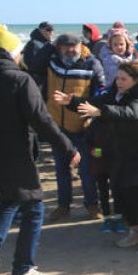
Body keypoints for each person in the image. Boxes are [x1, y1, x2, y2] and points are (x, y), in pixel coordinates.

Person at [0, 23, 79, 275]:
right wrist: (67, 147)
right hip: (13, 154)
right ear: (10, 53)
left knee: (10, 199)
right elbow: (41, 119)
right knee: (34, 206)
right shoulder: (19, 78)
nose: (20, 56)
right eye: (17, 52)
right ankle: (22, 268)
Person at [55, 60, 138, 248]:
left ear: (136, 79)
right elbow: (94, 102)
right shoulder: (115, 93)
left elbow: (132, 112)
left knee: (132, 188)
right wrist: (72, 102)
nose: (119, 82)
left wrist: (101, 112)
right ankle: (135, 229)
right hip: (120, 149)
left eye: (124, 79)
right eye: (117, 78)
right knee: (119, 189)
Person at [43, 33, 106, 223]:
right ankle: (63, 206)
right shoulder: (53, 62)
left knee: (87, 168)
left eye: (74, 46)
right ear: (58, 47)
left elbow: (102, 91)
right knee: (61, 168)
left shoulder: (91, 64)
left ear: (81, 45)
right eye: (65, 46)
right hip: (57, 126)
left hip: (83, 126)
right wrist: (49, 46)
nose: (71, 50)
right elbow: (34, 62)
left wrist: (90, 111)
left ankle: (91, 204)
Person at [22, 21, 55, 92]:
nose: (51, 32)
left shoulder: (47, 43)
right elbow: (30, 64)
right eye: (48, 30)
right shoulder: (33, 44)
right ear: (40, 30)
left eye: (52, 30)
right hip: (37, 81)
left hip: (47, 79)